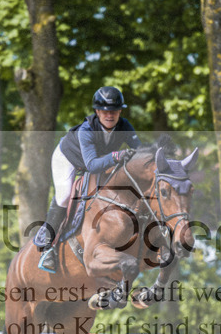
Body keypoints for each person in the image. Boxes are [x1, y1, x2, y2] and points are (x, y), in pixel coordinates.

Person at [33, 86, 143, 273]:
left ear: (120, 111)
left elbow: (140, 151)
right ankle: (47, 244)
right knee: (65, 195)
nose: (110, 115)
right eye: (106, 111)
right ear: (97, 111)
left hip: (97, 161)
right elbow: (91, 165)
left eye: (115, 111)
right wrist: (117, 156)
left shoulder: (125, 126)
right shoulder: (87, 130)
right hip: (68, 159)